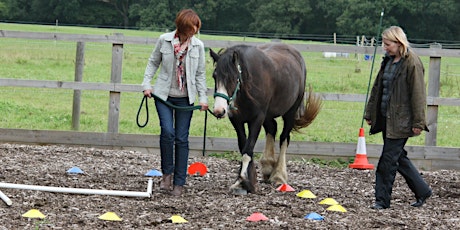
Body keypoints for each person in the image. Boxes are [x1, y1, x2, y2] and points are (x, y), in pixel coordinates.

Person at [141, 9, 208, 196]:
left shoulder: (198, 46)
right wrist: (147, 84)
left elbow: (200, 74)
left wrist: (203, 98)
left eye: (196, 29)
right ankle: (167, 175)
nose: (194, 32)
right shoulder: (164, 40)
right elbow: (153, 62)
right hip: (163, 95)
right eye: (191, 29)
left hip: (186, 98)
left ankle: (179, 182)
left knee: (181, 138)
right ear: (182, 27)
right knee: (167, 133)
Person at [364, 26, 432, 209]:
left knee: (387, 161)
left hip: (402, 121)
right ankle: (423, 190)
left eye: (388, 44)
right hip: (387, 119)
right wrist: (370, 113)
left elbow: (418, 95)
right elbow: (378, 88)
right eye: (384, 44)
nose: (385, 48)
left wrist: (418, 122)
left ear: (398, 42)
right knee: (398, 157)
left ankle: (382, 201)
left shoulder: (412, 63)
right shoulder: (387, 61)